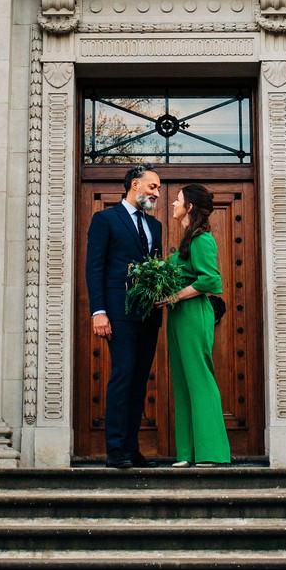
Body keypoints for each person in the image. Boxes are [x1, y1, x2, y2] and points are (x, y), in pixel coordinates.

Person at [84, 164, 164, 469]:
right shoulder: (105, 219)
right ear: (134, 185)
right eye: (153, 187)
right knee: (123, 374)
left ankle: (132, 449)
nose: (157, 193)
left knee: (139, 380)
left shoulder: (154, 227)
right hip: (117, 312)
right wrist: (99, 311)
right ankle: (115, 449)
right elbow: (95, 268)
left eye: (157, 188)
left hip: (147, 314)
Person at [160, 184, 231, 468]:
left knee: (200, 379)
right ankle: (187, 453)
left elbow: (210, 281)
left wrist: (173, 295)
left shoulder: (202, 240)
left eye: (177, 200)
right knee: (182, 381)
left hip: (193, 315)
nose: (173, 204)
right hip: (179, 316)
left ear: (189, 206)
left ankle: (211, 452)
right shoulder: (189, 239)